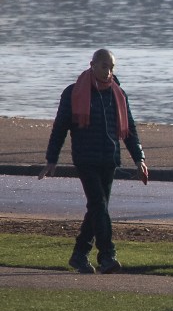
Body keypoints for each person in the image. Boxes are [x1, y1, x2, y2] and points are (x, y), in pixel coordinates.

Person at [39, 49, 149, 274]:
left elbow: (130, 131)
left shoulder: (118, 94)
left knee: (97, 209)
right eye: (104, 66)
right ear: (93, 65)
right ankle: (107, 255)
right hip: (85, 159)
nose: (109, 71)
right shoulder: (73, 93)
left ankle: (79, 255)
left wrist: (139, 158)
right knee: (99, 206)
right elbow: (60, 128)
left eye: (112, 67)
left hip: (109, 160)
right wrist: (52, 158)